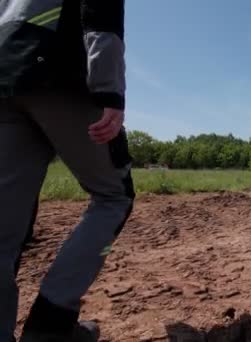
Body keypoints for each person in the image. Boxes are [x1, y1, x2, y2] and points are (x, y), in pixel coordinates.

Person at [0, 1, 133, 341]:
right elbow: (100, 10)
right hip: (58, 70)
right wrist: (109, 89)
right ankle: (50, 325)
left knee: (4, 223)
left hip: (5, 74)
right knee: (114, 196)